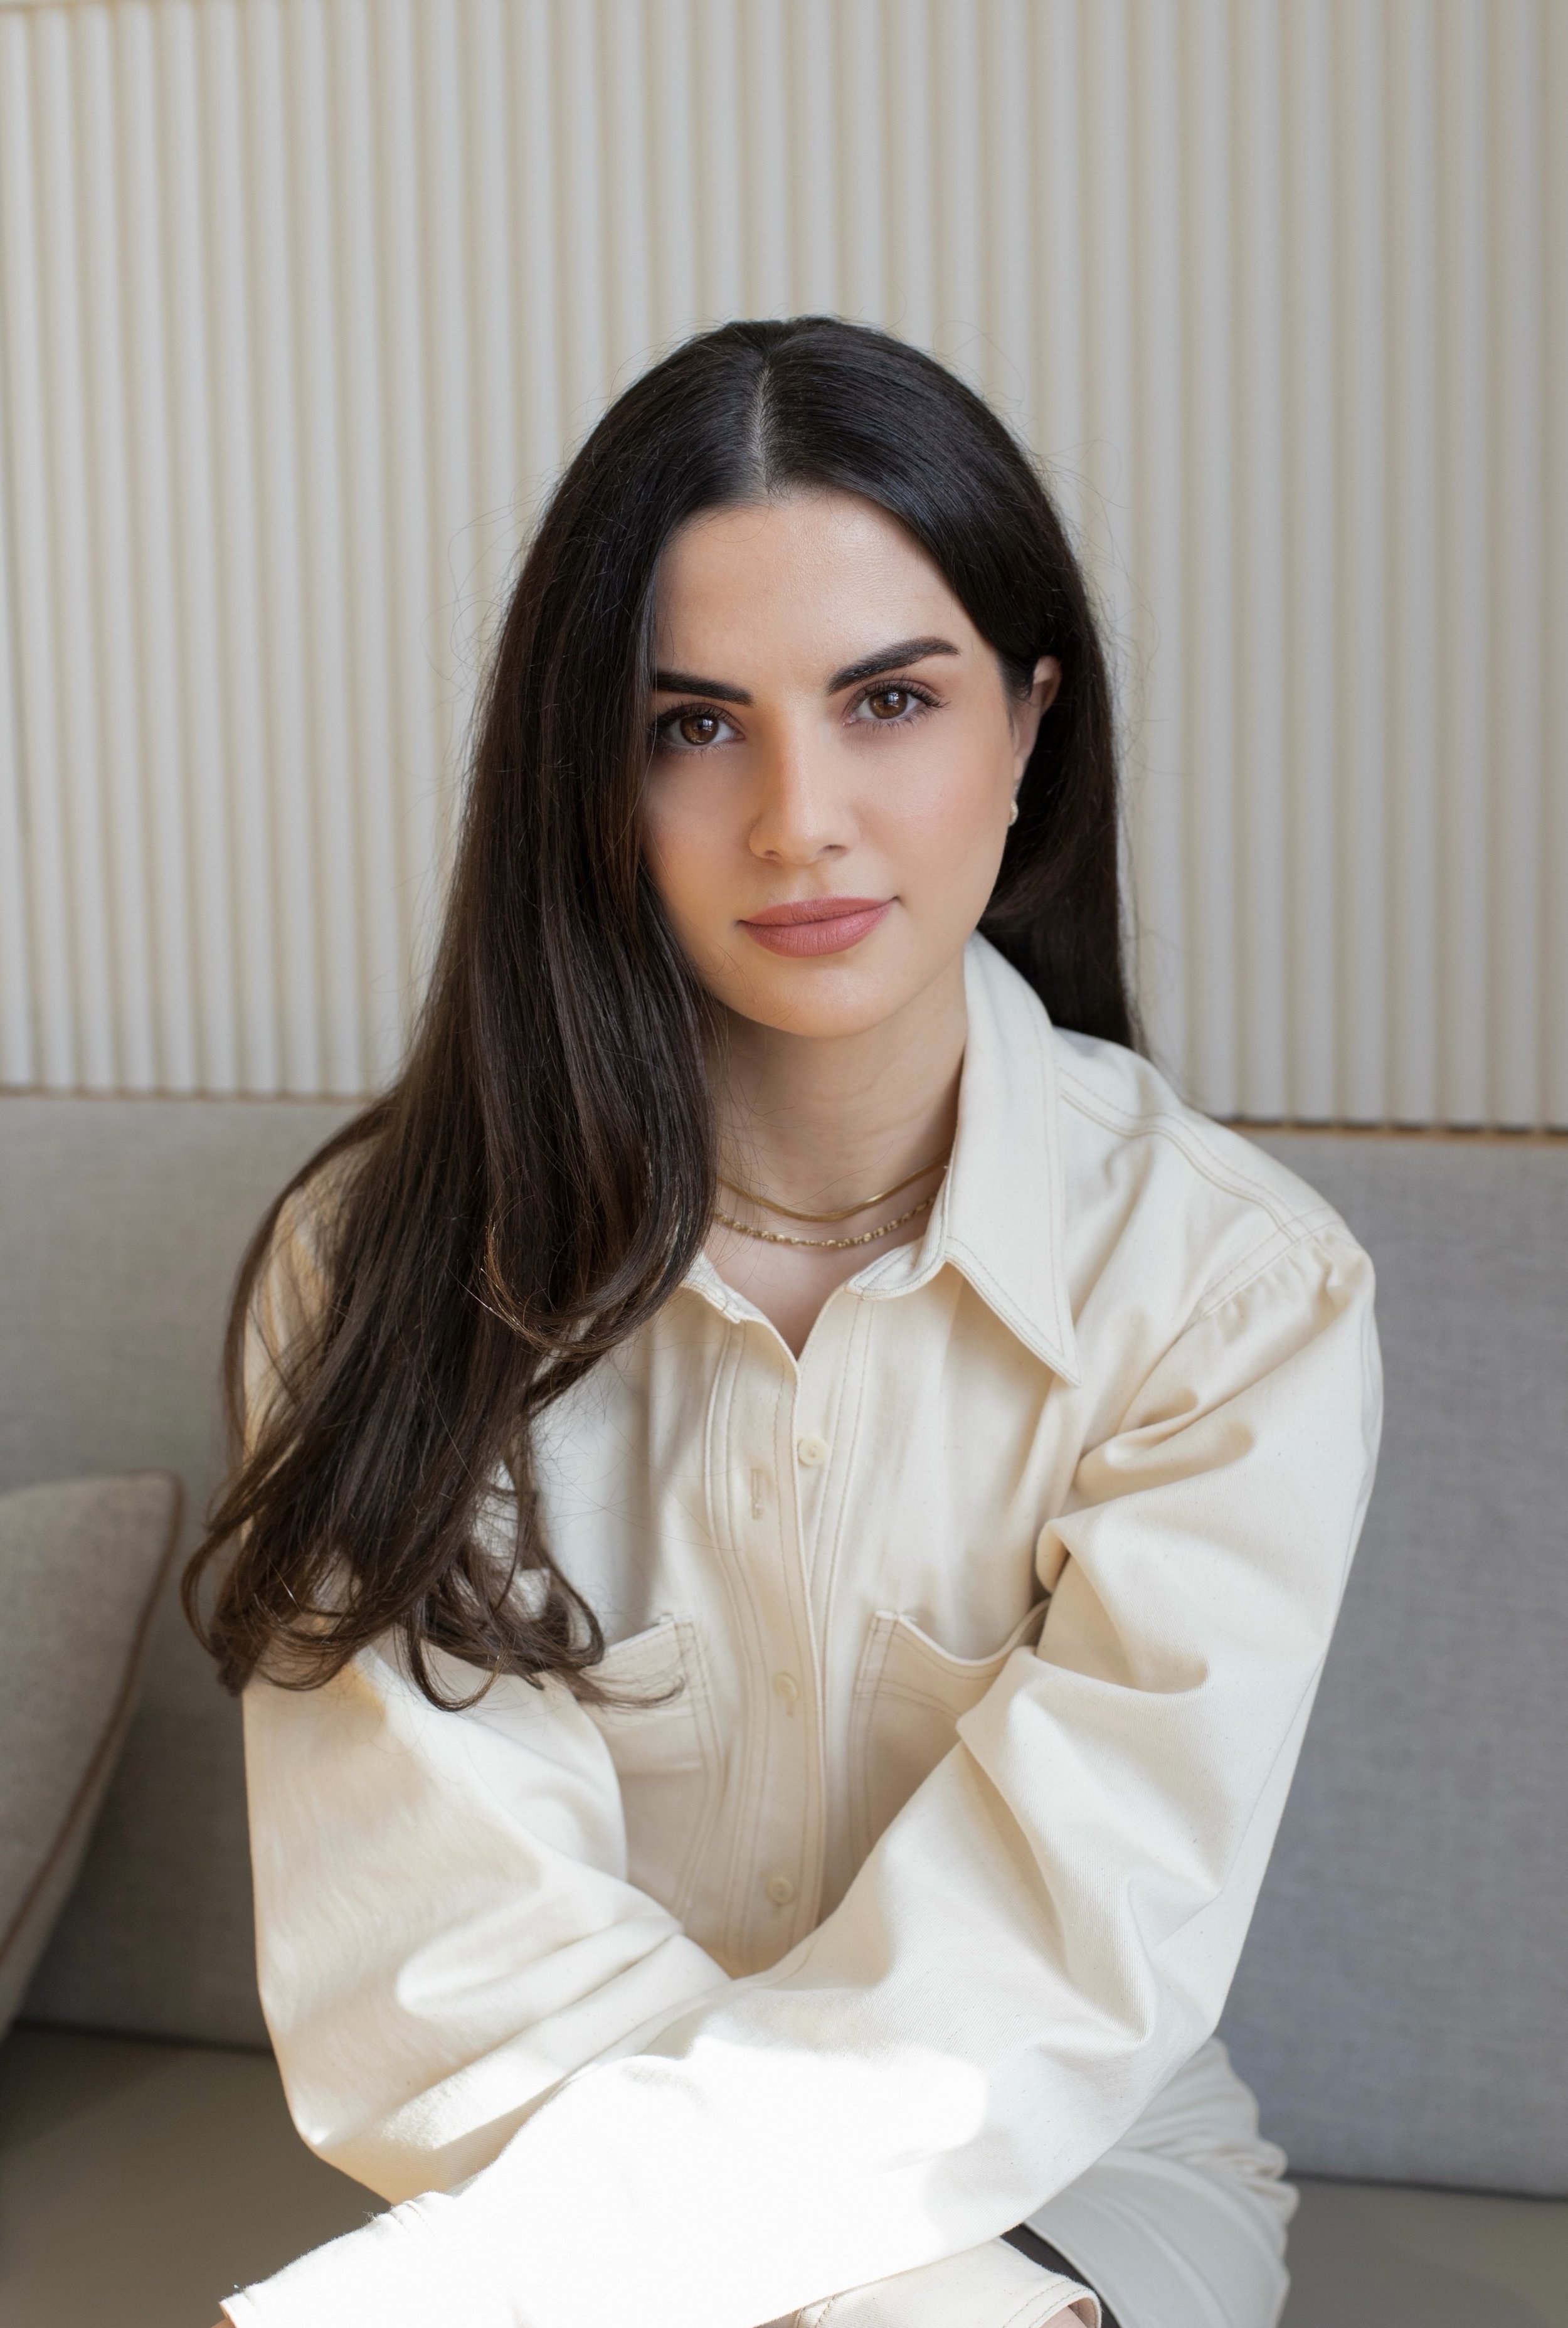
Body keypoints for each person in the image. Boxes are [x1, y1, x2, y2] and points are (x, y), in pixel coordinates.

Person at [188, 317, 1380, 2328]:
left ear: (1028, 725)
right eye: (692, 724)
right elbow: (438, 1964)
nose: (799, 818)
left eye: (888, 700)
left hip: (1068, 2168)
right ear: (589, 781)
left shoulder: (1231, 1295)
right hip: (546, 2154)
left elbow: (1040, 1984)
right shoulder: (371, 1265)